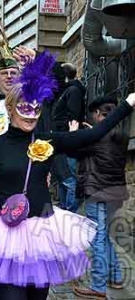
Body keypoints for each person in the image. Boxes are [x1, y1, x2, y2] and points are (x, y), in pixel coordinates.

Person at [0, 51, 135, 300]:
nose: (30, 114)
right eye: (23, 108)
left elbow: (93, 135)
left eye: (36, 108)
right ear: (10, 108)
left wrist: (127, 104)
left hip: (41, 234)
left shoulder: (47, 142)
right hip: (6, 234)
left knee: (37, 296)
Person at [72, 96, 129, 300]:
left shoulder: (96, 135)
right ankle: (116, 276)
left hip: (97, 192)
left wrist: (76, 133)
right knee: (104, 236)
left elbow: (74, 151)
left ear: (97, 114)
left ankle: (98, 286)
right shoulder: (121, 134)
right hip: (116, 193)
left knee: (97, 238)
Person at [51, 62, 87, 213]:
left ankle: (70, 212)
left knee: (69, 179)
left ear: (64, 76)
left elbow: (73, 117)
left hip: (68, 141)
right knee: (62, 179)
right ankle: (64, 211)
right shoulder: (66, 92)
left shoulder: (73, 91)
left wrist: (67, 135)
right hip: (61, 139)